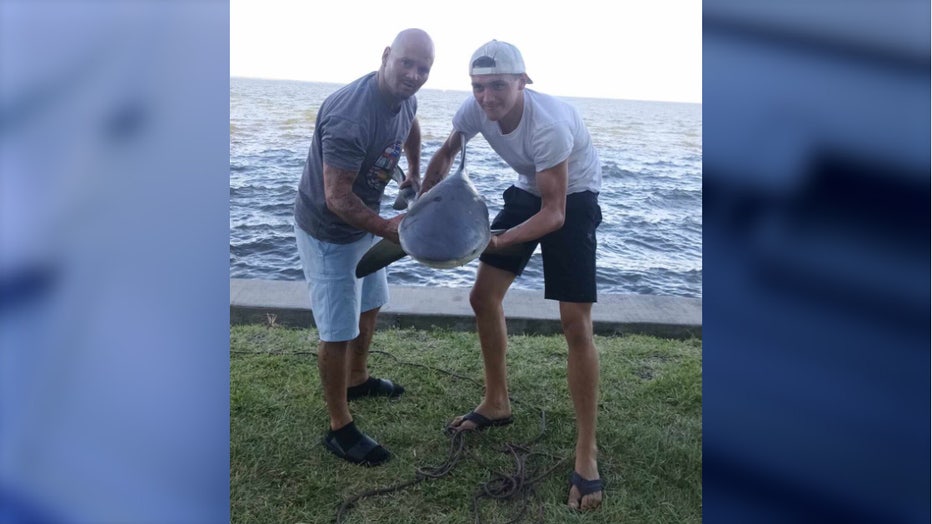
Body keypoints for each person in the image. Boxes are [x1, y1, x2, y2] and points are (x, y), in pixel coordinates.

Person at [421, 40, 605, 510]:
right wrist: (423, 203)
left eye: (498, 86)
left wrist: (497, 241)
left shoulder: (549, 126)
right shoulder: (475, 108)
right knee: (483, 297)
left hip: (573, 197)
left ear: (523, 82)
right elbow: (446, 154)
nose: (487, 97)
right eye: (478, 86)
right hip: (528, 189)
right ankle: (496, 401)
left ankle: (587, 451)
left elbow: (555, 213)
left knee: (575, 324)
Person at [293, 28, 434, 467]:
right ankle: (340, 427)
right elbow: (337, 198)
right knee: (338, 330)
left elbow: (410, 124)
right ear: (386, 55)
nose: (413, 75)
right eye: (406, 63)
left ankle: (357, 379)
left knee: (370, 304)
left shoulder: (404, 98)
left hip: (366, 221)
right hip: (329, 231)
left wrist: (414, 171)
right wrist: (390, 229)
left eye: (423, 68)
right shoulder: (351, 116)